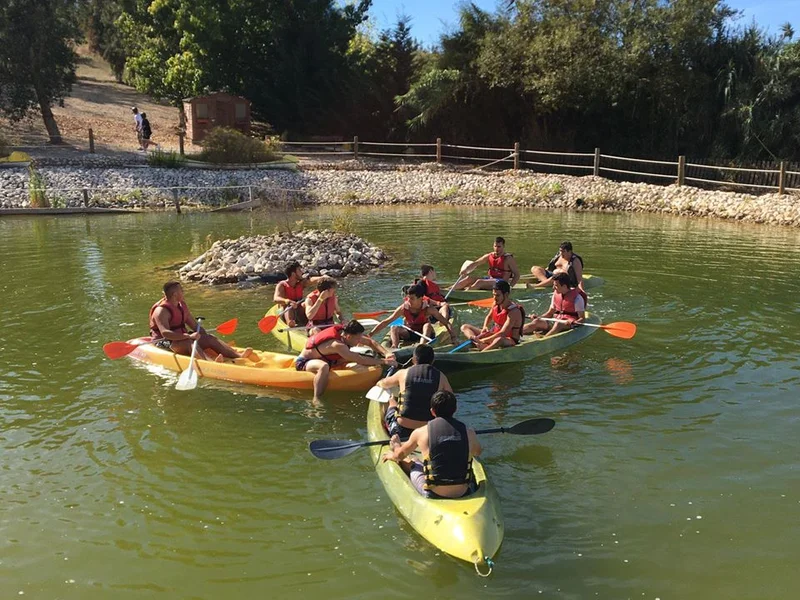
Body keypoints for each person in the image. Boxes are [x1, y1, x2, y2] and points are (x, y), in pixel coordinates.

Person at [382, 390, 481, 499]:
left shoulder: (420, 432)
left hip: (433, 494)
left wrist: (396, 446)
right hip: (463, 492)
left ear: (432, 411)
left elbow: (399, 456)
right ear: (455, 409)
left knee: (414, 461)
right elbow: (477, 452)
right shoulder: (469, 432)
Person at [149, 281, 255, 363]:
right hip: (164, 342)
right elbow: (165, 333)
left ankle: (238, 355)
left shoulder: (181, 305)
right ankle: (209, 363)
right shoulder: (161, 311)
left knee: (209, 338)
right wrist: (188, 336)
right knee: (188, 342)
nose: (184, 292)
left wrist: (203, 335)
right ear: (175, 294)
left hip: (181, 337)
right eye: (182, 290)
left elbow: (193, 324)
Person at [295, 320, 397, 401]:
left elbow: (370, 342)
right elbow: (359, 359)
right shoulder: (337, 345)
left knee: (362, 356)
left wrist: (386, 353)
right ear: (349, 336)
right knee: (323, 366)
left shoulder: (348, 335)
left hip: (327, 359)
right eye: (357, 339)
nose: (359, 342)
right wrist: (384, 361)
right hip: (305, 361)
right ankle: (316, 398)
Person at [377, 344, 453, 443]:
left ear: (413, 360)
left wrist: (379, 382)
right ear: (433, 360)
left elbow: (384, 384)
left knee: (391, 401)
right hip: (428, 430)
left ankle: (391, 407)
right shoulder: (441, 376)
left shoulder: (403, 373)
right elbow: (450, 400)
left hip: (402, 430)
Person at [369, 284, 457, 348]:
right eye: (408, 298)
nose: (409, 301)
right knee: (394, 326)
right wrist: (370, 335)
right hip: (410, 332)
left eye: (412, 299)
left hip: (426, 334)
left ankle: (421, 346)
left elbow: (446, 323)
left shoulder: (429, 309)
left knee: (427, 325)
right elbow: (386, 322)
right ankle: (394, 347)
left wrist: (453, 338)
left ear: (420, 298)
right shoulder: (403, 308)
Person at [460, 279, 524, 351]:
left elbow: (503, 333)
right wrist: (485, 326)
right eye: (493, 295)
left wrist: (483, 340)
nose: (494, 298)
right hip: (495, 334)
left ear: (506, 295)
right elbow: (489, 317)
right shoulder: (496, 303)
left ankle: (483, 350)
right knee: (465, 327)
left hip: (508, 340)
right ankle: (475, 341)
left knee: (499, 339)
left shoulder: (514, 311)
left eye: (497, 295)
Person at [523, 272, 586, 337]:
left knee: (558, 324)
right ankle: (517, 332)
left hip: (566, 323)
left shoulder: (577, 298)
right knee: (537, 322)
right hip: (555, 321)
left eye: (556, 285)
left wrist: (574, 321)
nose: (553, 288)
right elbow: (549, 313)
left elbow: (582, 319)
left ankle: (544, 339)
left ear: (564, 286)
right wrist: (539, 317)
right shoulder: (556, 295)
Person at [453, 236, 520, 290]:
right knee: (468, 279)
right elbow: (476, 263)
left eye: (499, 247)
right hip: (490, 279)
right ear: (493, 246)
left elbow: (517, 275)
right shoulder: (489, 256)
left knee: (479, 282)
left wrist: (510, 287)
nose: (497, 249)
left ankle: (466, 292)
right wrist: (465, 270)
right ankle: (449, 289)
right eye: (495, 246)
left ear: (503, 246)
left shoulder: (508, 258)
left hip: (501, 282)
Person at [273, 262, 323, 327]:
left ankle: (311, 323)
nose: (302, 272)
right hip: (286, 310)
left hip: (298, 309)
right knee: (289, 308)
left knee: (305, 304)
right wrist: (288, 301)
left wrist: (322, 278)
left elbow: (311, 280)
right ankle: (290, 323)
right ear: (293, 273)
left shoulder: (301, 283)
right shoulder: (282, 285)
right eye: (299, 270)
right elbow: (276, 298)